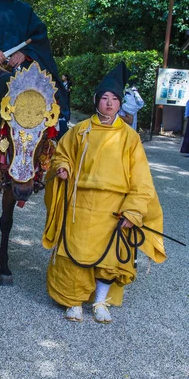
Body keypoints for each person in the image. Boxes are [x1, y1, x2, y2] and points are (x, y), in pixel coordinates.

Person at [42, 62, 166, 324]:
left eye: (114, 99)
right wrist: (63, 168)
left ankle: (100, 301)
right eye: (105, 98)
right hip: (80, 204)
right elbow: (62, 155)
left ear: (120, 103)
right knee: (73, 255)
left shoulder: (130, 138)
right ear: (96, 101)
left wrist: (133, 210)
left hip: (113, 208)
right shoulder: (80, 131)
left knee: (109, 259)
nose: (109, 104)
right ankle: (73, 302)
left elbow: (141, 179)